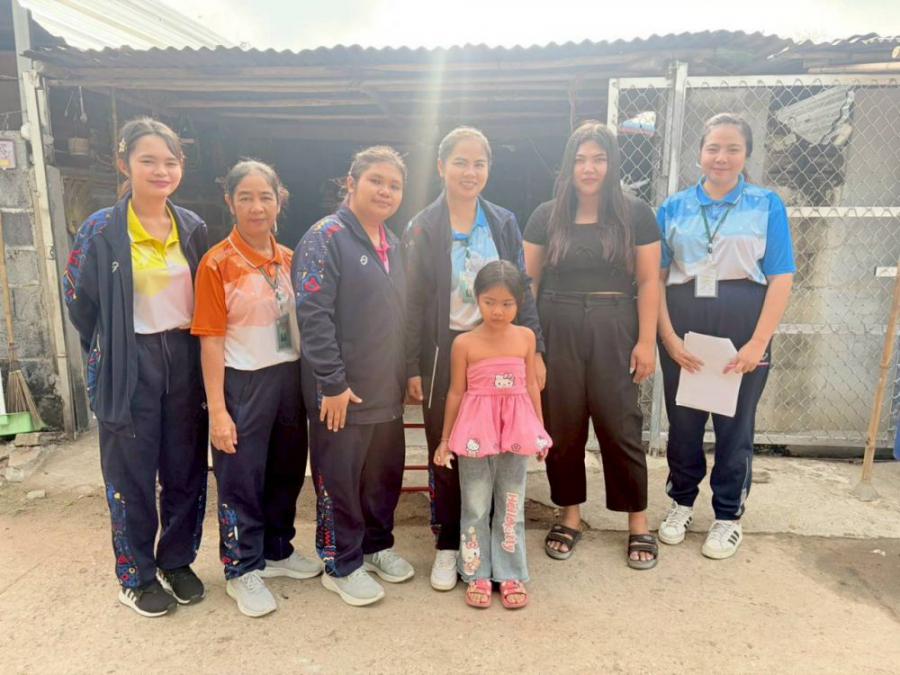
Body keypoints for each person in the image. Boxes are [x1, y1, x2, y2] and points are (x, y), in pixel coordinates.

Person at [63, 117, 209, 617]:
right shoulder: (101, 229)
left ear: (181, 167)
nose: (160, 171)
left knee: (185, 469)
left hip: (184, 360)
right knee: (131, 475)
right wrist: (108, 349)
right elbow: (79, 301)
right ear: (124, 164)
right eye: (148, 161)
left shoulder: (191, 227)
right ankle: (136, 576)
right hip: (129, 362)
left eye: (170, 161)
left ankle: (176, 561)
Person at [403, 126, 545, 591]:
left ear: (489, 169)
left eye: (479, 163)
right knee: (448, 447)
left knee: (501, 448)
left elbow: (522, 286)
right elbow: (412, 301)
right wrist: (412, 365)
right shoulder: (423, 226)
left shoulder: (502, 221)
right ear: (441, 166)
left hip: (500, 346)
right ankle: (450, 544)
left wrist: (536, 351)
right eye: (460, 162)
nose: (470, 171)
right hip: (446, 348)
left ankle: (499, 553)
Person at [523, 120, 662, 569]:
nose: (589, 168)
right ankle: (570, 515)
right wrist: (532, 348)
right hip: (557, 324)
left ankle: (637, 522)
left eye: (599, 159)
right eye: (581, 159)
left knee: (620, 424)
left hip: (614, 323)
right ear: (569, 166)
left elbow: (649, 281)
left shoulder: (636, 214)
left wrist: (646, 340)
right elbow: (528, 283)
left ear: (612, 164)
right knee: (563, 427)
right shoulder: (546, 215)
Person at [656, 113, 795, 560]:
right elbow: (655, 278)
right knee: (684, 421)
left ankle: (728, 515)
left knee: (735, 425)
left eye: (732, 148)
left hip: (743, 326)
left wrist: (758, 343)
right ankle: (681, 502)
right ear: (699, 152)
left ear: (746, 154)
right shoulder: (674, 208)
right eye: (713, 147)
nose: (721, 157)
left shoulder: (766, 205)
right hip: (685, 325)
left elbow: (781, 276)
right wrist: (668, 337)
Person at [192, 160, 320, 618]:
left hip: (289, 377)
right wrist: (218, 411)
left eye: (265, 196)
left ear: (279, 201)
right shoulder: (217, 263)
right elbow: (210, 341)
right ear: (230, 202)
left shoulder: (290, 259)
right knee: (241, 477)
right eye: (245, 197)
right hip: (242, 380)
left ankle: (277, 550)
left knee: (287, 470)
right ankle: (241, 566)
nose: (256, 207)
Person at [294, 146, 413, 607]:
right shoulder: (325, 237)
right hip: (340, 391)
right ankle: (340, 562)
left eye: (394, 185)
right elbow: (313, 314)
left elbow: (400, 317)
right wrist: (332, 382)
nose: (385, 191)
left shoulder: (393, 243)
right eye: (376, 181)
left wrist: (408, 373)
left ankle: (375, 545)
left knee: (382, 474)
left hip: (384, 386)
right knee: (339, 477)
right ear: (351, 182)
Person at [435, 260, 551, 609]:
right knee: (474, 505)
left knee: (511, 504)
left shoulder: (526, 338)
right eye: (489, 302)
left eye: (507, 303)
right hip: (474, 436)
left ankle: (510, 573)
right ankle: (476, 573)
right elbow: (456, 392)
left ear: (519, 303)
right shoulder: (464, 344)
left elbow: (530, 386)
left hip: (516, 433)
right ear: (476, 298)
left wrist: (539, 431)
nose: (498, 311)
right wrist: (445, 440)